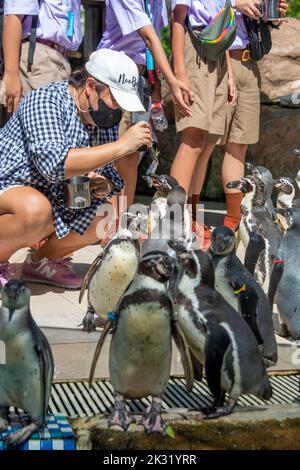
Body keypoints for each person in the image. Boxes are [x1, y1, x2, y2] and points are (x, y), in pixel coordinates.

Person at [0, 49, 151, 289]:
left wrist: (105, 184)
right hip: (9, 185)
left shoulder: (100, 119)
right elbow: (53, 166)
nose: (117, 110)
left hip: (52, 197)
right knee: (35, 210)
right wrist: (122, 145)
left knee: (105, 214)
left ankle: (42, 262)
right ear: (91, 86)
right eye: (115, 100)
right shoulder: (47, 101)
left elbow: (110, 173)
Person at [183, 0, 288, 231]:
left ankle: (233, 221)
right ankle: (189, 217)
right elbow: (199, 13)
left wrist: (271, 18)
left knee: (239, 145)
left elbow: (251, 22)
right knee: (204, 144)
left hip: (250, 63)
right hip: (219, 57)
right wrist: (236, 4)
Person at [97, 0, 194, 212]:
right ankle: (106, 223)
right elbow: (149, 37)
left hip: (139, 77)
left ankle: (121, 221)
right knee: (112, 153)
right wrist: (172, 80)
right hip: (113, 75)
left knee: (132, 152)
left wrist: (156, 86)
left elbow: (152, 44)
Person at [169, 0, 236, 249]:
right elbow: (178, 19)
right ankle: (173, 220)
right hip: (194, 48)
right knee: (193, 138)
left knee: (208, 143)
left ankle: (192, 216)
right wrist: (180, 71)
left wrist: (228, 72)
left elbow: (221, 22)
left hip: (217, 53)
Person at [0, 0, 82, 115]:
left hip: (60, 58)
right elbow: (14, 14)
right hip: (38, 57)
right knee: (43, 122)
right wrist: (11, 74)